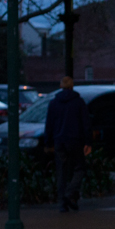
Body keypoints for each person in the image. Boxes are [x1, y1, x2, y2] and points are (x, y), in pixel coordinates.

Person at [44, 76, 91, 212]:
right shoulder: (79, 102)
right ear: (72, 87)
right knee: (79, 168)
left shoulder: (54, 103)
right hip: (75, 140)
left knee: (62, 171)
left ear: (60, 86)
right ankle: (70, 194)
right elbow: (85, 123)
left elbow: (49, 125)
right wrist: (88, 142)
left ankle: (63, 202)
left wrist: (48, 142)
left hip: (59, 140)